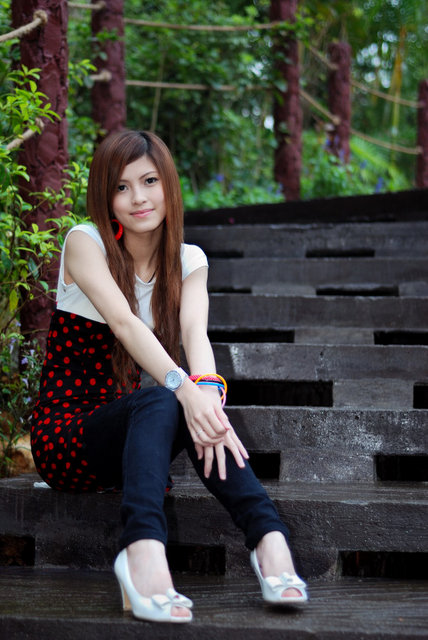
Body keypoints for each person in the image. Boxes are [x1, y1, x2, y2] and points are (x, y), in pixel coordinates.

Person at [30, 130, 308, 623]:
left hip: (135, 438)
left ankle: (268, 540)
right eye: (121, 187)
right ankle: (142, 552)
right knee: (169, 395)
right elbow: (124, 324)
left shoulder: (188, 260)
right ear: (105, 197)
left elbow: (196, 335)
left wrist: (208, 396)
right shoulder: (84, 242)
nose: (138, 198)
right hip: (66, 438)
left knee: (190, 401)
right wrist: (187, 390)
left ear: (169, 185)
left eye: (149, 181)